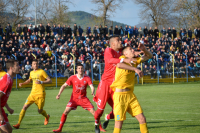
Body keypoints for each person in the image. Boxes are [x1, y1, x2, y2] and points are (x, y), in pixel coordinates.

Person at [93, 35, 143, 133]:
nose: (120, 41)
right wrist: (124, 60)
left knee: (117, 111)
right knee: (100, 109)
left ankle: (108, 117)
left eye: (120, 40)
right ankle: (96, 124)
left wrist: (138, 52)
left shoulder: (121, 52)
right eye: (118, 40)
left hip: (116, 85)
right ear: (112, 44)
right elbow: (110, 60)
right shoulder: (108, 50)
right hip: (105, 84)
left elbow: (130, 54)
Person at [110, 44, 152, 133]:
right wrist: (135, 69)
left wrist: (144, 49)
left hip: (130, 96)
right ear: (125, 53)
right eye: (130, 49)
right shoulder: (122, 58)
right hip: (119, 96)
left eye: (133, 49)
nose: (133, 50)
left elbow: (149, 56)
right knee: (119, 123)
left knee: (142, 119)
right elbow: (119, 65)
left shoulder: (135, 60)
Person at [52, 64, 105, 132]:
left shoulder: (87, 77)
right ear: (76, 70)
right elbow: (64, 86)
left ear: (83, 69)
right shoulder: (72, 77)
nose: (80, 69)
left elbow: (92, 86)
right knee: (65, 111)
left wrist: (92, 92)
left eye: (81, 68)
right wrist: (59, 94)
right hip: (74, 99)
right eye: (79, 68)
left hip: (83, 99)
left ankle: (100, 127)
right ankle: (60, 129)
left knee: (95, 113)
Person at [13, 59, 52, 129]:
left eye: (36, 64)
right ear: (32, 65)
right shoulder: (31, 73)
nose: (35, 65)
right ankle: (18, 124)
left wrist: (42, 82)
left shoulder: (42, 71)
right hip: (32, 94)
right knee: (24, 107)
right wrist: (23, 83)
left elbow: (50, 80)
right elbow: (29, 80)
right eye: (34, 64)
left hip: (40, 94)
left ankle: (47, 116)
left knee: (40, 111)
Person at [0, 59, 20, 133]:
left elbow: (1, 98)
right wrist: (0, 115)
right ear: (11, 68)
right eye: (17, 65)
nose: (19, 67)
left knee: (9, 130)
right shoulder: (7, 81)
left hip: (1, 108)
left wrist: (8, 108)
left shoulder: (10, 79)